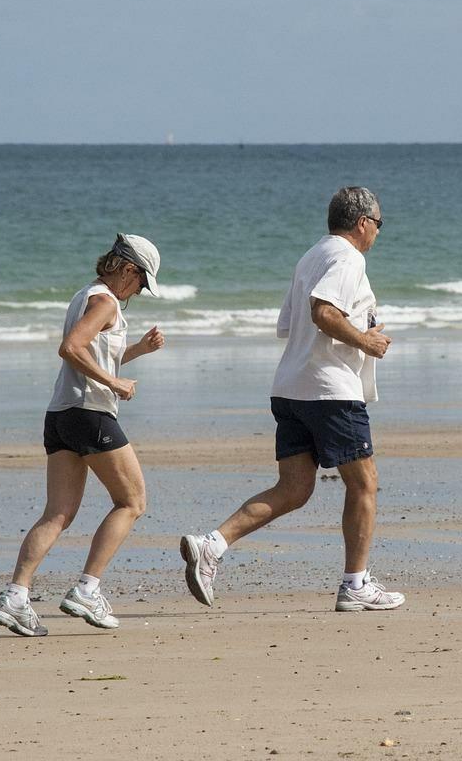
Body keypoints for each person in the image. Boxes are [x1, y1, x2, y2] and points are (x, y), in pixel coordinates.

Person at [180, 186, 404, 612]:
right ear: (362, 223)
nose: (378, 233)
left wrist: (360, 325)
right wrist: (365, 340)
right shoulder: (348, 256)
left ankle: (211, 545)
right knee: (365, 482)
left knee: (295, 488)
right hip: (329, 390)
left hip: (291, 387)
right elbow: (323, 313)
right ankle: (355, 584)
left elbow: (289, 324)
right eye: (379, 224)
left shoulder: (312, 255)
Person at [0, 233, 166, 637]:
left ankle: (15, 597)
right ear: (128, 269)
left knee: (58, 513)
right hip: (91, 414)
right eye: (141, 282)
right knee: (132, 501)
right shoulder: (105, 302)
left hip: (61, 415)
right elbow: (70, 348)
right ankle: (87, 589)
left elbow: (94, 351)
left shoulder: (86, 296)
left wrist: (137, 349)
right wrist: (117, 384)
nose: (138, 291)